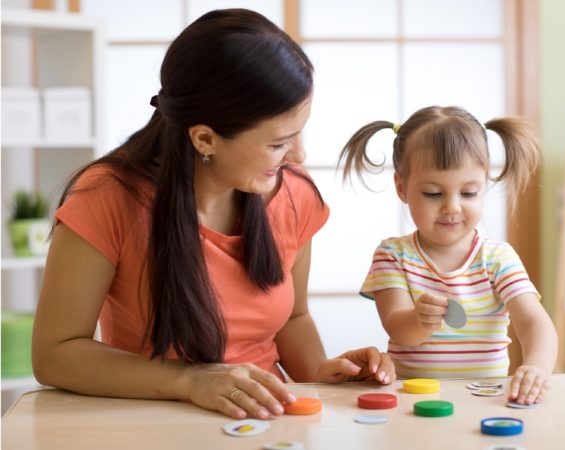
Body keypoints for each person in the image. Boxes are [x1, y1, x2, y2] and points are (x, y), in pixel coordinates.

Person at [31, 8, 394, 421]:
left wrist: (324, 375)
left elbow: (293, 318)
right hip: (146, 423)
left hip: (264, 423)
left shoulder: (293, 193)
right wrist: (191, 381)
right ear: (205, 138)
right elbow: (55, 353)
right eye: (279, 143)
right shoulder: (108, 196)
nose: (299, 156)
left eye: (297, 135)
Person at [338, 106, 557, 405]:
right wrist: (419, 320)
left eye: (468, 193)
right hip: (413, 401)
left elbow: (534, 322)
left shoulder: (497, 257)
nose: (452, 207)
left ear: (484, 186)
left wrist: (537, 366)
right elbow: (398, 329)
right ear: (402, 187)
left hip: (485, 398)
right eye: (433, 194)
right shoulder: (393, 255)